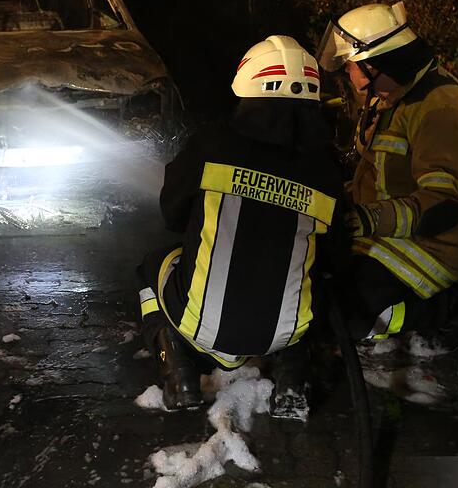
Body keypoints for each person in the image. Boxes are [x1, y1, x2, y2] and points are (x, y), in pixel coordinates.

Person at [137, 35, 343, 418]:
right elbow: (334, 249)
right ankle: (292, 379)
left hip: (201, 325)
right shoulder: (325, 169)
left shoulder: (211, 145)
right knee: (311, 279)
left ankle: (178, 373)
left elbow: (172, 217)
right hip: (288, 329)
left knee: (153, 265)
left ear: (249, 89)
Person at [315, 1, 458, 345]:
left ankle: (450, 308)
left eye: (351, 66)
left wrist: (365, 220)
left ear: (375, 65)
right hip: (387, 237)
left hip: (434, 249)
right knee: (316, 287)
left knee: (341, 317)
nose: (347, 75)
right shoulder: (396, 98)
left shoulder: (443, 110)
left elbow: (445, 204)